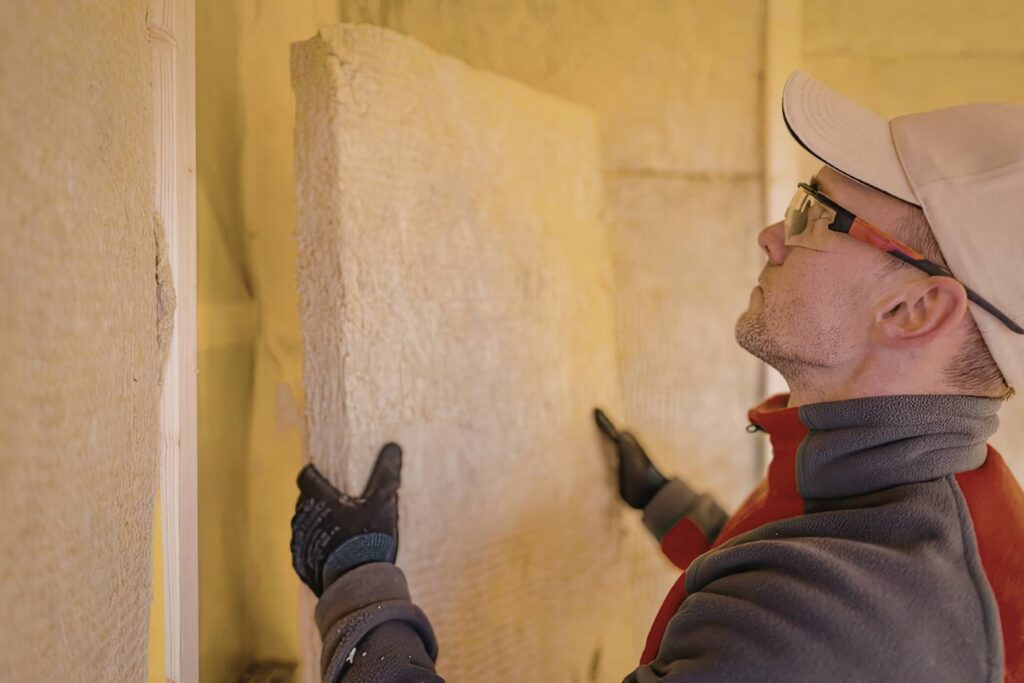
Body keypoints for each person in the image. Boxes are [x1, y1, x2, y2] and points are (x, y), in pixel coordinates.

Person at [289, 70, 1024, 682]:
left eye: (814, 213)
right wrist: (662, 500)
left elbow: (791, 621)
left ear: (914, 308)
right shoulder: (928, 498)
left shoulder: (833, 626)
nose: (771, 235)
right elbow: (789, 572)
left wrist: (360, 595)